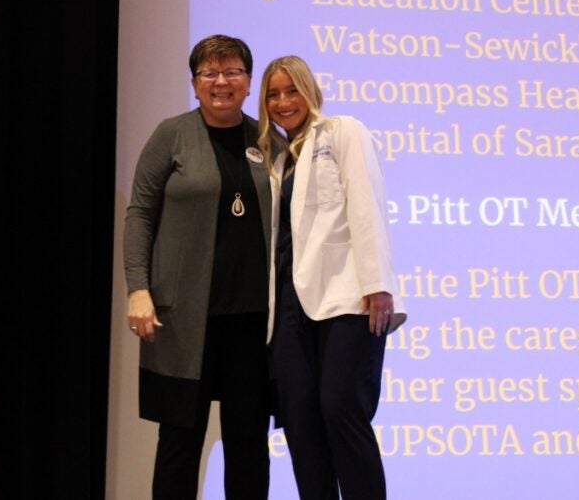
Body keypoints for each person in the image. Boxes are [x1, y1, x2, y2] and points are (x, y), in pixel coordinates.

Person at [124, 35, 280, 500]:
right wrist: (138, 287)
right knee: (179, 443)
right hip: (184, 320)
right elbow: (140, 214)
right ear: (194, 83)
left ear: (248, 82)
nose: (221, 82)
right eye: (210, 73)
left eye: (232, 72)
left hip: (252, 324)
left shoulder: (268, 140)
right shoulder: (170, 135)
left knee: (249, 446)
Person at [257, 55, 406, 500]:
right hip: (289, 311)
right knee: (301, 422)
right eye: (273, 94)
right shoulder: (275, 158)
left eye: (292, 90)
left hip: (348, 298)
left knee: (341, 409)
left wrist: (378, 284)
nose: (284, 102)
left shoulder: (342, 131)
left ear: (310, 91)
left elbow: (366, 205)